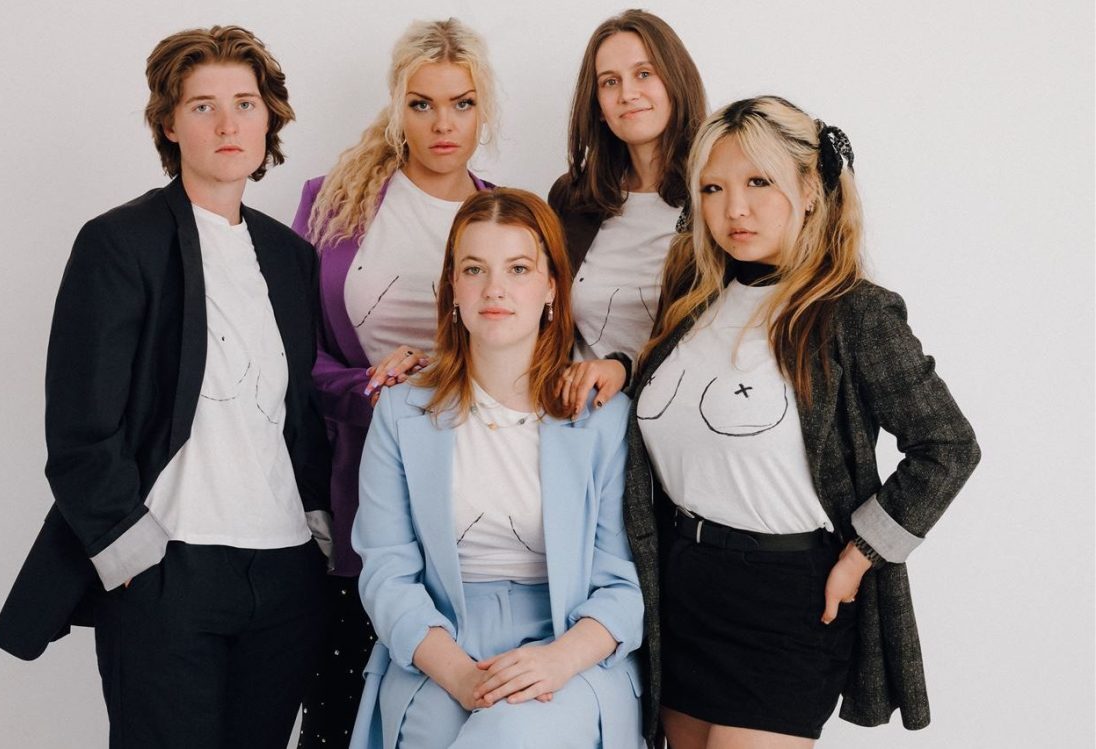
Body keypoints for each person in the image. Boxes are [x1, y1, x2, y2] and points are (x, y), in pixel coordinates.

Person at [0, 26, 332, 749]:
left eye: (245, 102)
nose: (228, 123)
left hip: (284, 574)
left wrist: (319, 530)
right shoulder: (120, 243)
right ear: (170, 124)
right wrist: (130, 555)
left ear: (269, 118)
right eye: (203, 106)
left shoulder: (290, 256)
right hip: (167, 569)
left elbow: (296, 412)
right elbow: (82, 430)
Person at [623, 96, 982, 747]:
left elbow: (948, 447)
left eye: (758, 182)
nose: (735, 208)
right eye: (713, 188)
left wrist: (860, 554)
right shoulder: (690, 304)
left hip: (784, 602)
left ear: (810, 190)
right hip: (679, 591)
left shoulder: (852, 313)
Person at [349, 188, 644, 749]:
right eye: (474, 269)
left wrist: (559, 661)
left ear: (552, 286)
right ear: (452, 288)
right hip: (440, 644)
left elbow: (624, 583)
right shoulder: (402, 410)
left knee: (508, 736)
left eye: (517, 268)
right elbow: (387, 571)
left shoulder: (602, 418)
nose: (495, 289)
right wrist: (459, 673)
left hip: (568, 643)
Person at [289, 18, 497, 745]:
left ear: (485, 111)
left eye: (463, 104)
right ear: (396, 106)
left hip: (472, 483)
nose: (444, 124)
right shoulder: (332, 200)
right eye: (422, 103)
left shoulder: (504, 215)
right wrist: (365, 383)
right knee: (340, 696)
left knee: (452, 696)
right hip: (355, 470)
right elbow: (294, 354)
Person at [549, 9, 708, 413]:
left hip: (675, 424)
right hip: (581, 424)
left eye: (644, 74)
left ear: (676, 81)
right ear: (598, 104)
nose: (627, 94)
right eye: (610, 82)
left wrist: (627, 371)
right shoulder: (573, 199)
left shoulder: (715, 196)